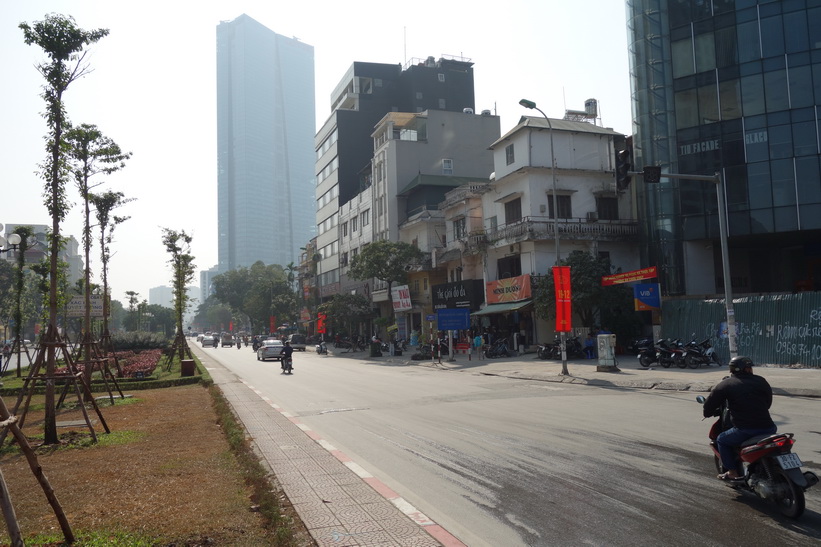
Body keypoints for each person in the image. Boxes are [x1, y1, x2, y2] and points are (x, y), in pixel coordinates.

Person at [701, 356, 776, 481]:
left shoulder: (726, 384)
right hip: (770, 427)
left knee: (722, 440)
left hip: (745, 430)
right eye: (749, 367)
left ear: (732, 369)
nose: (750, 369)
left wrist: (707, 413)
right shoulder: (761, 381)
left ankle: (732, 472)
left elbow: (709, 405)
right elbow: (768, 403)